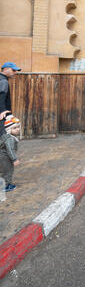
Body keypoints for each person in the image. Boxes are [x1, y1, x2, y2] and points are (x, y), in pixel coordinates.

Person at [0, 62, 21, 192]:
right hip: (3, 119)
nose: (15, 73)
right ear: (6, 69)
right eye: (13, 70)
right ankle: (6, 184)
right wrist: (2, 111)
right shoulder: (3, 82)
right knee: (6, 145)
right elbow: (1, 96)